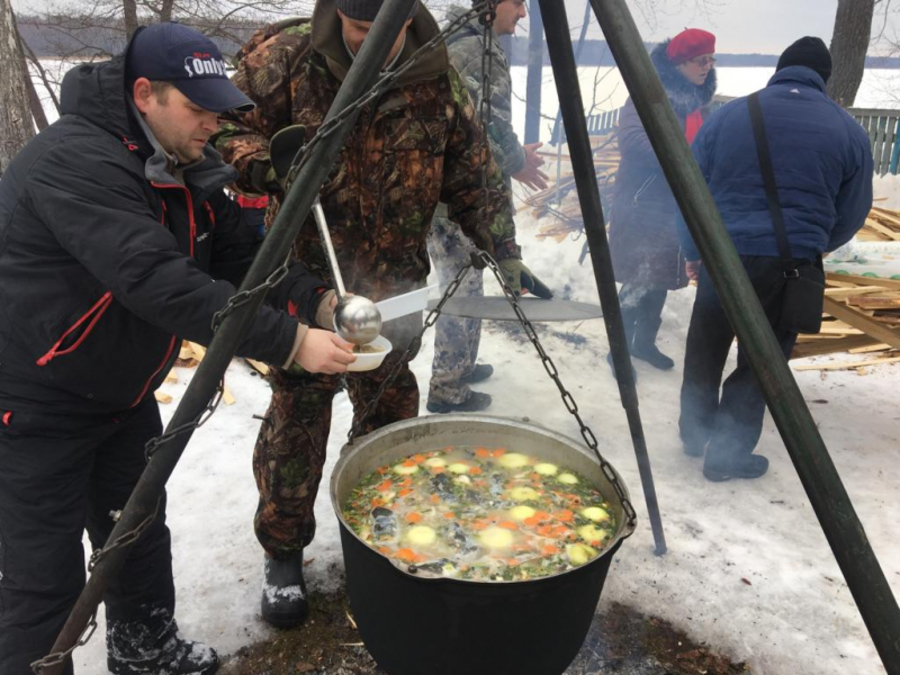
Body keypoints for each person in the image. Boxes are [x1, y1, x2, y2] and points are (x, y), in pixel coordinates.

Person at [0, 23, 356, 675]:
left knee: (134, 533)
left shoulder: (183, 164)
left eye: (214, 108)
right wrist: (290, 341)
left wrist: (316, 302)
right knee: (41, 579)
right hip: (33, 401)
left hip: (120, 391)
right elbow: (157, 281)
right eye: (196, 109)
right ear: (144, 94)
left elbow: (244, 254)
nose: (210, 125)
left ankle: (146, 650)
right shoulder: (76, 160)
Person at [215, 0, 546, 630]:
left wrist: (503, 249)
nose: (377, 45)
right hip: (304, 283)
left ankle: (379, 515)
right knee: (299, 417)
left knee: (391, 407)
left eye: (387, 32)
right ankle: (284, 551)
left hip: (394, 287)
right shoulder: (285, 58)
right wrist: (264, 162)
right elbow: (222, 127)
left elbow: (475, 174)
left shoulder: (435, 74)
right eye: (362, 31)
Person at [677, 37, 873, 481]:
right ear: (823, 79)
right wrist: (817, 242)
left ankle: (694, 431)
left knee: (705, 344)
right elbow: (854, 209)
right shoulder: (848, 130)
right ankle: (726, 455)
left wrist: (693, 250)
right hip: (790, 266)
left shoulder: (727, 116)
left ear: (779, 70)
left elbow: (689, 188)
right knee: (762, 361)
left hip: (723, 254)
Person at [425, 0, 552, 414]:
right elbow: (486, 127)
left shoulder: (460, 42)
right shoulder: (475, 50)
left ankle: (460, 364)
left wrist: (511, 156)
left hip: (446, 193)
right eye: (517, 2)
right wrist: (517, 161)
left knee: (465, 284)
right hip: (458, 199)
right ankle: (448, 389)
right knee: (462, 289)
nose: (522, 13)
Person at [608, 28, 717, 379]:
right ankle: (619, 349)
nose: (707, 66)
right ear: (681, 63)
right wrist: (685, 160)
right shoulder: (646, 97)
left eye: (711, 60)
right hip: (643, 204)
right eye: (701, 60)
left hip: (673, 208)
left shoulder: (697, 105)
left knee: (662, 278)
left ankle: (643, 343)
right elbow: (633, 141)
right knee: (640, 278)